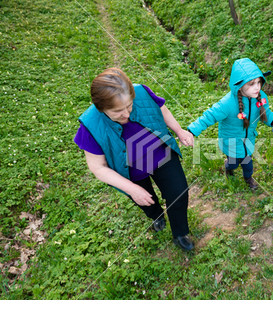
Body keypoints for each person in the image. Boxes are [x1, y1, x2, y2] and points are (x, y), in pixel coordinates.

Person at [74, 68, 195, 251]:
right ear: (101, 108)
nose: (127, 114)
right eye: (117, 111)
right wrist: (131, 189)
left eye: (129, 106)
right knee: (146, 200)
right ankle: (157, 216)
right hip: (130, 168)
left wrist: (179, 130)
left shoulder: (142, 91)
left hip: (160, 154)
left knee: (178, 192)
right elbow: (97, 167)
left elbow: (163, 110)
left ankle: (179, 233)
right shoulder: (90, 125)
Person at [187, 58, 273, 189]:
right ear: (239, 85)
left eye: (259, 82)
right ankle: (228, 167)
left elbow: (266, 114)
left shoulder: (260, 96)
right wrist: (192, 131)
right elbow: (209, 116)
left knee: (248, 163)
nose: (257, 87)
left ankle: (248, 178)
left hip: (248, 139)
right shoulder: (227, 103)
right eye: (252, 84)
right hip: (231, 141)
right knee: (233, 163)